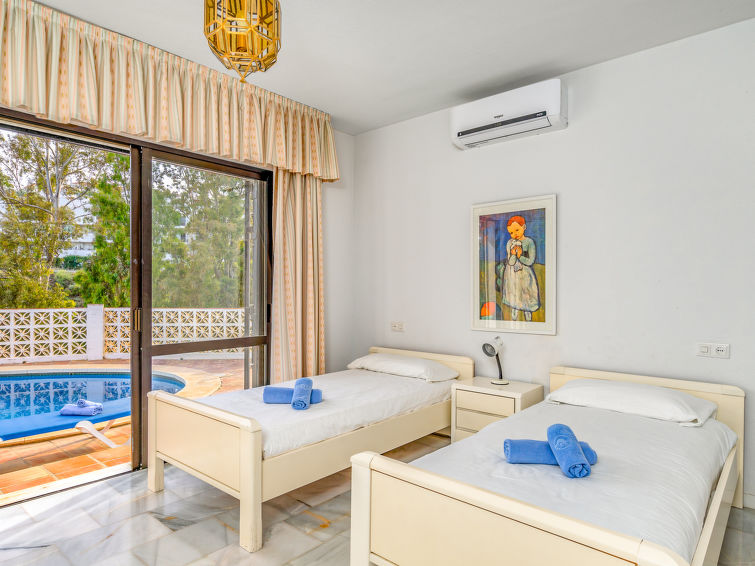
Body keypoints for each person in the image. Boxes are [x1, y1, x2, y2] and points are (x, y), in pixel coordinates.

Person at [499, 215, 540, 321]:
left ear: (524, 227)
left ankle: (528, 317)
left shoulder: (529, 242)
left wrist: (520, 255)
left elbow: (530, 261)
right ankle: (514, 318)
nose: (515, 234)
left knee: (526, 295)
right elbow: (511, 262)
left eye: (517, 230)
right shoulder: (510, 243)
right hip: (512, 274)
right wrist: (513, 254)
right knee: (514, 295)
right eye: (511, 232)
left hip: (525, 274)